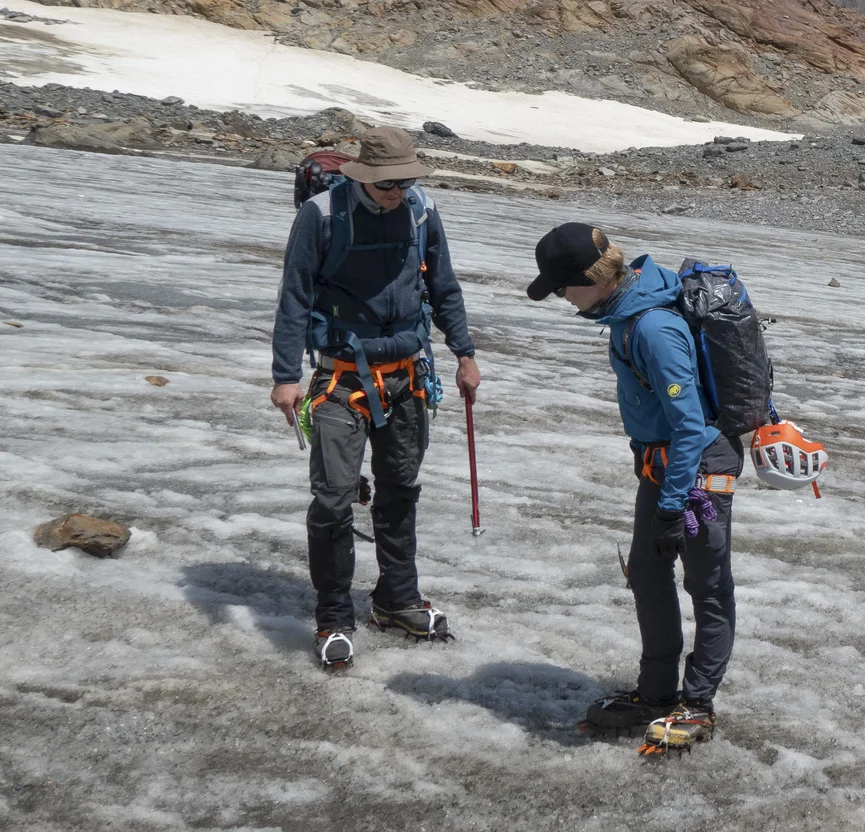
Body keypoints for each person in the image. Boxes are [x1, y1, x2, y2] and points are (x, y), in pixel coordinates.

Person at [270, 127, 481, 668]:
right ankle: (334, 616)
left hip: (408, 376)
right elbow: (294, 296)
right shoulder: (320, 215)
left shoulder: (420, 211)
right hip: (340, 379)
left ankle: (397, 599)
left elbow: (444, 286)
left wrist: (464, 352)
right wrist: (285, 375)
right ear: (365, 177)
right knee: (335, 499)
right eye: (388, 183)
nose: (397, 190)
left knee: (399, 490)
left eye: (405, 180)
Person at [526, 222, 740, 753]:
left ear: (590, 280)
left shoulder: (650, 328)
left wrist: (672, 506)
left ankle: (698, 702)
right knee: (647, 572)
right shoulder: (629, 305)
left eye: (560, 287)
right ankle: (656, 691)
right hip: (662, 467)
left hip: (696, 471)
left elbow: (690, 424)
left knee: (707, 587)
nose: (560, 298)